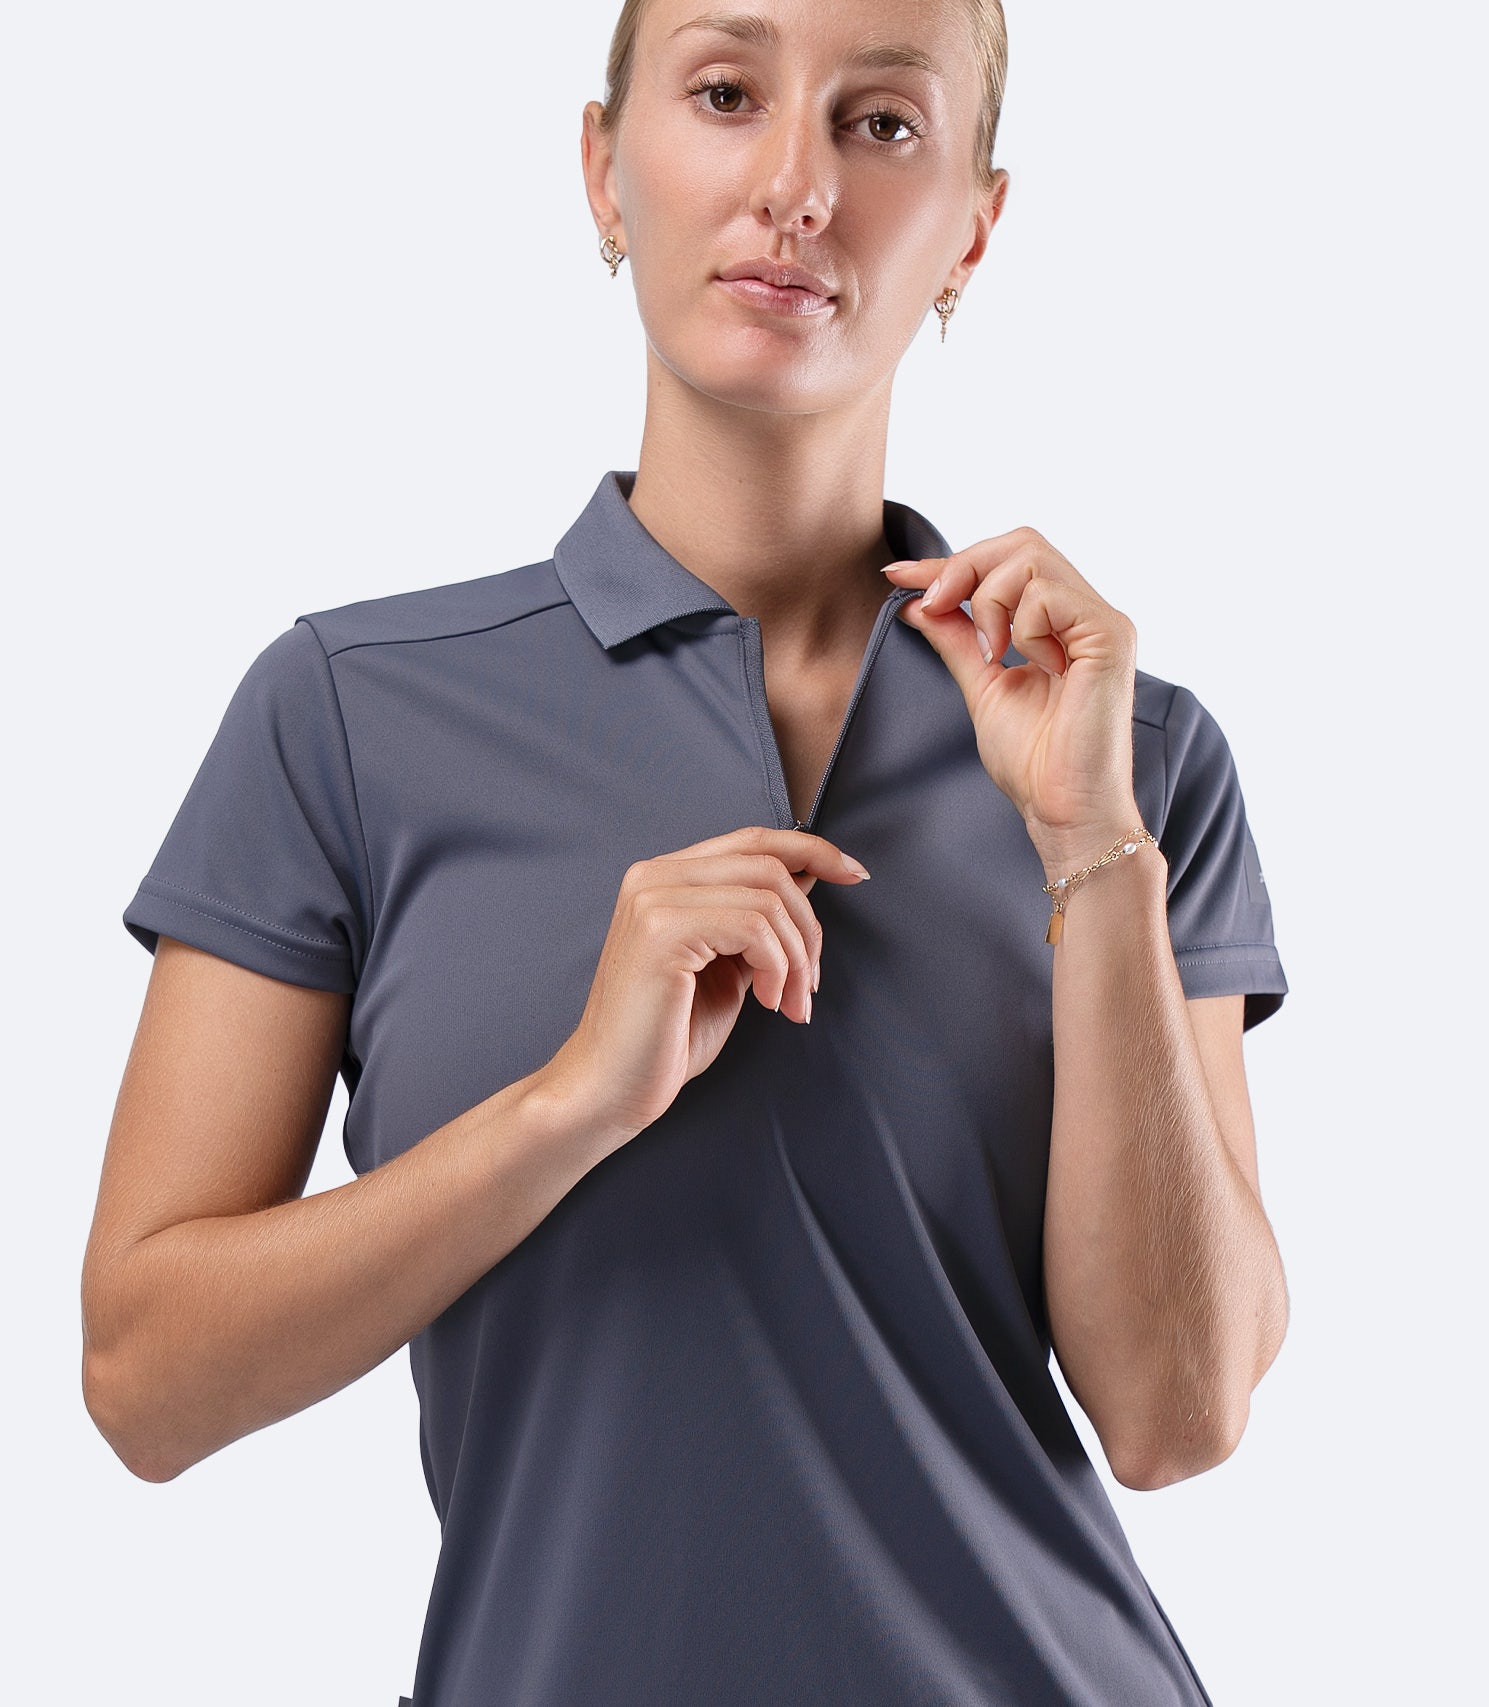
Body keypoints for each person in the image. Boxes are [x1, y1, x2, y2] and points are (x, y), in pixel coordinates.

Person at [81, 1, 1291, 1702]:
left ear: (973, 227)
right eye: (726, 94)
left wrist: (1092, 846)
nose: (796, 184)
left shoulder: (1134, 758)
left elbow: (1179, 1416)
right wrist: (570, 1105)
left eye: (882, 125)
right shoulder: (344, 716)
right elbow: (144, 1385)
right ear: (603, 168)